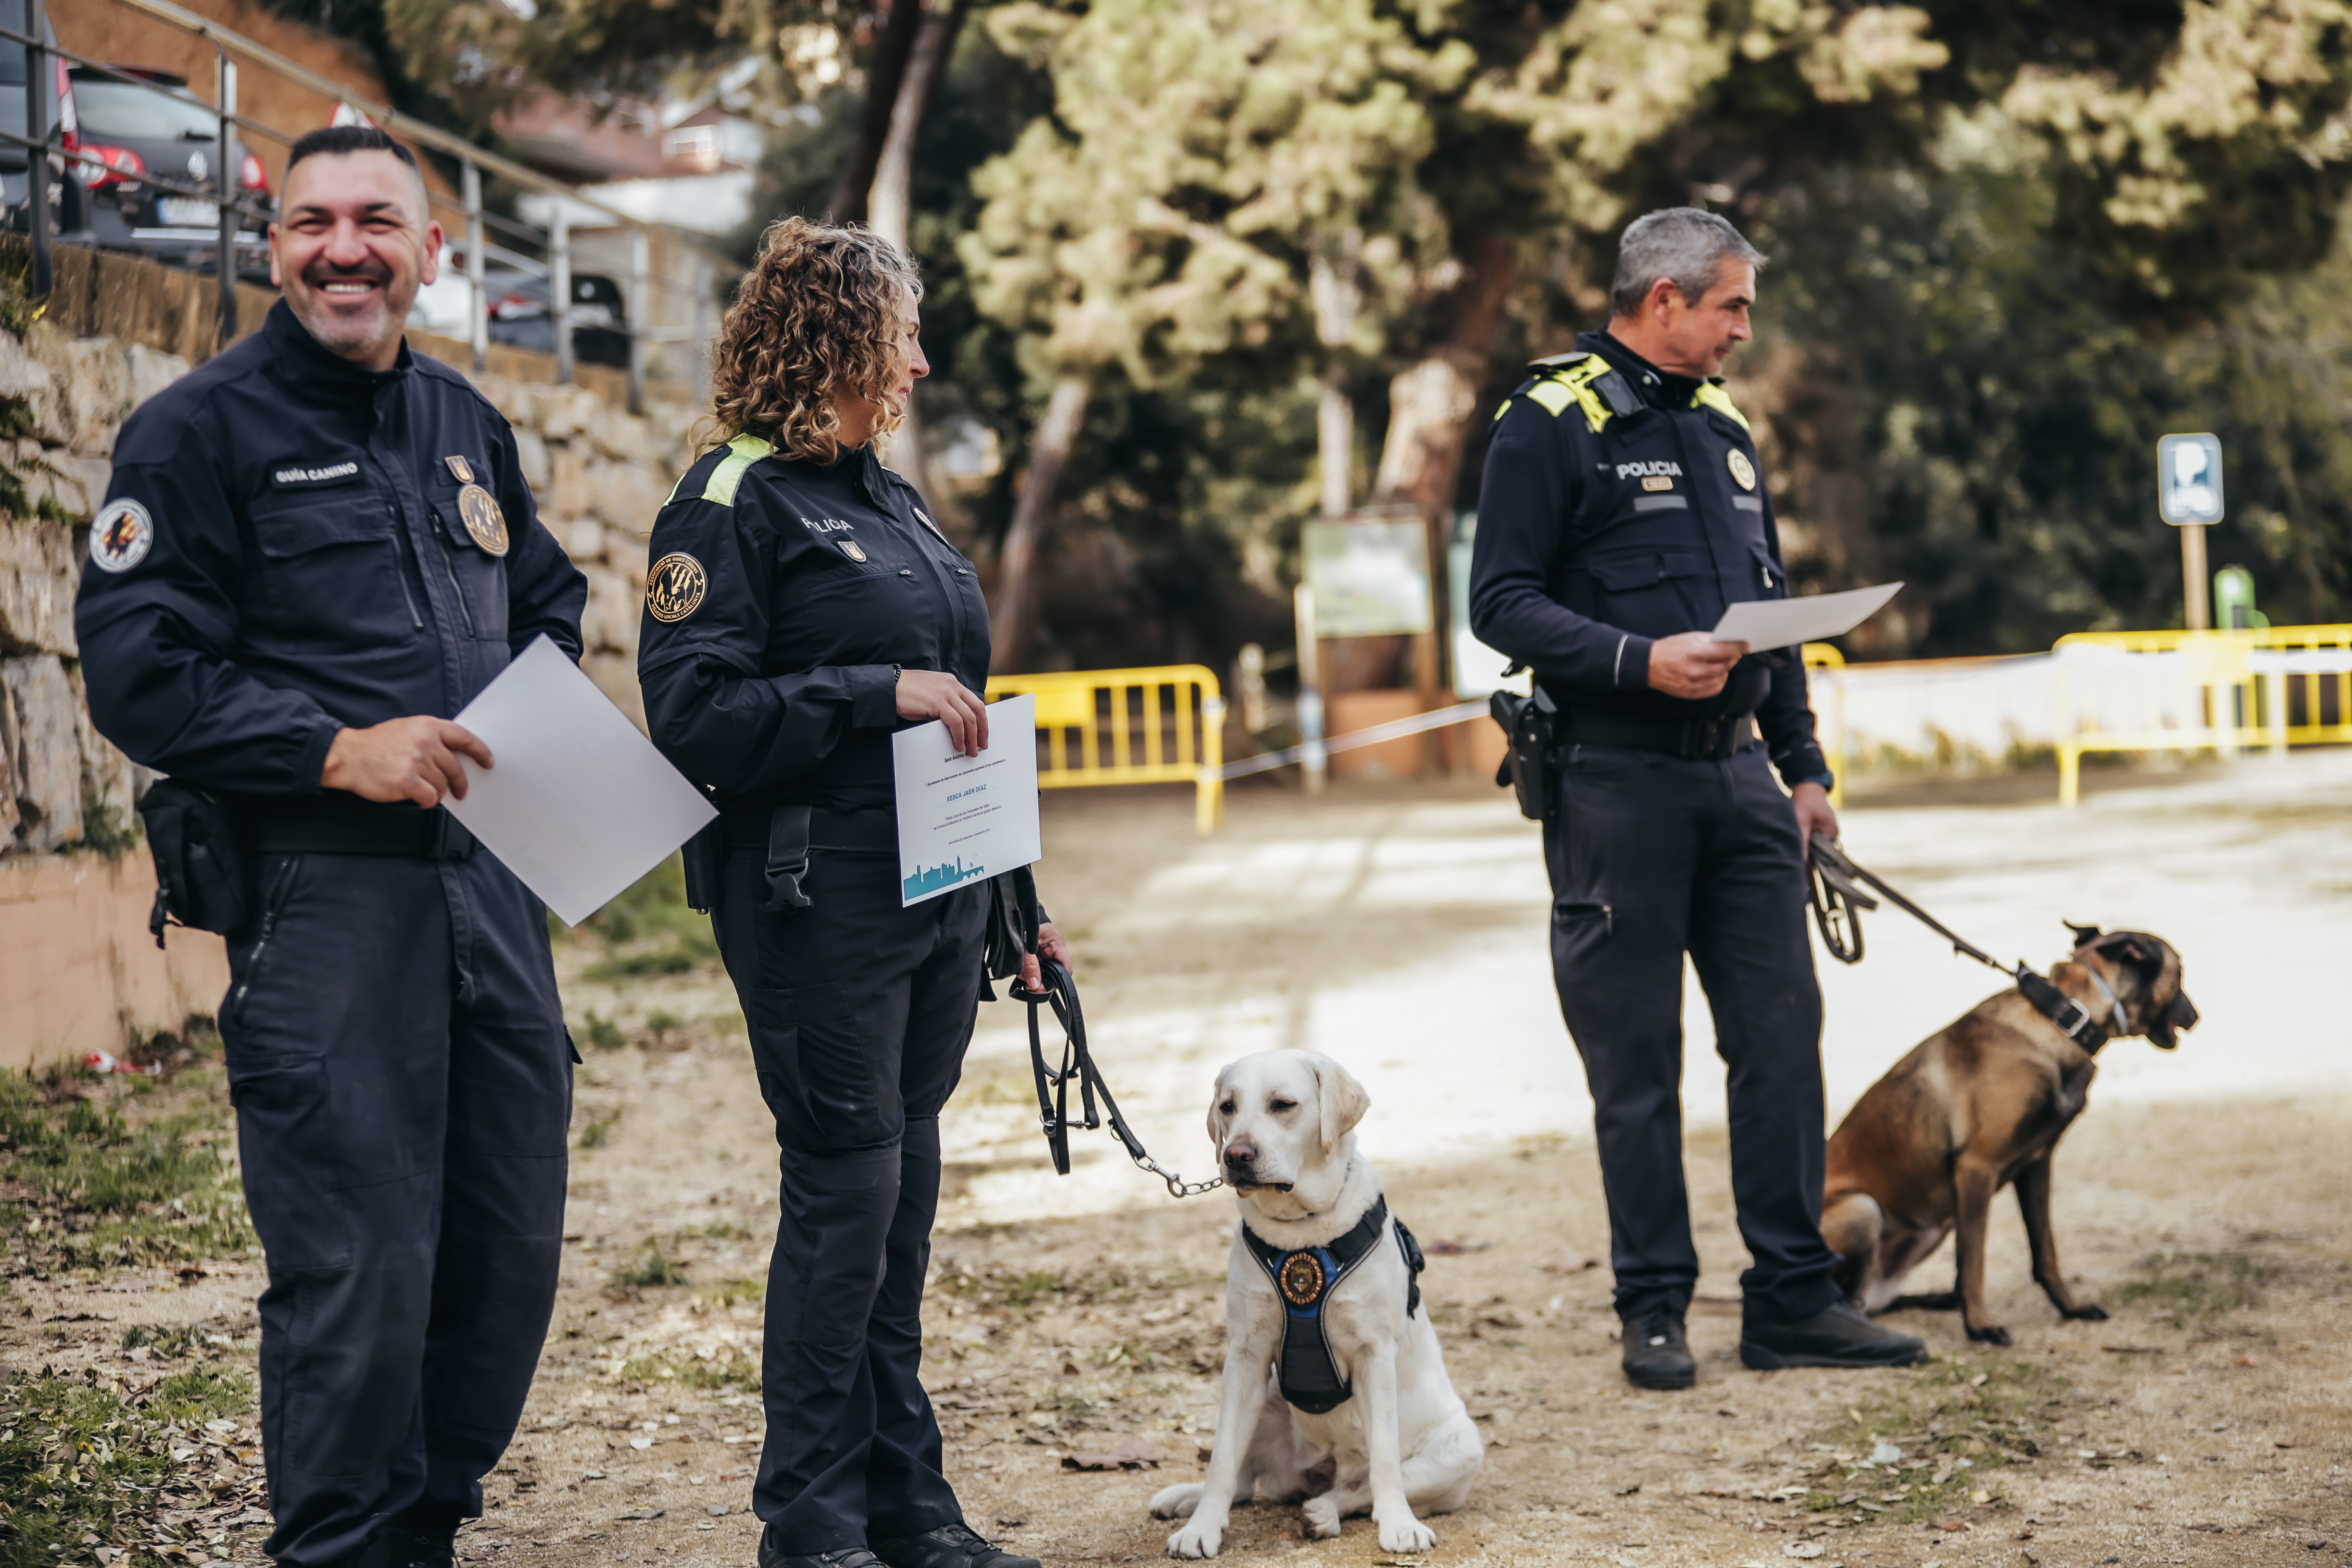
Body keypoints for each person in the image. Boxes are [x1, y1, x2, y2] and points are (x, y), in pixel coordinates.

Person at [76, 126, 586, 1566]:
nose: (342, 248)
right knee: (356, 1265)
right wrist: (329, 747)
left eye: (376, 221)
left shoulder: (464, 423)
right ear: (273, 243)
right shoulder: (195, 433)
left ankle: (425, 1525)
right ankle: (344, 1547)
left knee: (507, 1248)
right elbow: (138, 668)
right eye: (310, 223)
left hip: (490, 894)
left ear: (436, 251)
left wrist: (533, 725)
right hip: (323, 904)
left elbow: (548, 596)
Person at [637, 217, 1063, 1568]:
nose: (922, 365)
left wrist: (1016, 905)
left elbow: (965, 717)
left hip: (940, 900)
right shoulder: (729, 502)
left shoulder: (892, 500)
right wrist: (869, 691)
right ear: (837, 341)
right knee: (846, 1198)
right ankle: (811, 1524)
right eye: (904, 337)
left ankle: (911, 1508)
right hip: (815, 897)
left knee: (904, 1193)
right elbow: (692, 711)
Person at [1468, 207, 1925, 1388]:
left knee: (1781, 1043)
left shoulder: (1724, 425)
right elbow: (1502, 602)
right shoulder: (1549, 421)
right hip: (1614, 786)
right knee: (1638, 1064)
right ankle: (1654, 1308)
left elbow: (1766, 609)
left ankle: (1791, 1302)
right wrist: (1637, 662)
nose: (1742, 332)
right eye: (1731, 307)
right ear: (1663, 299)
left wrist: (1805, 769)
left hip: (1742, 788)